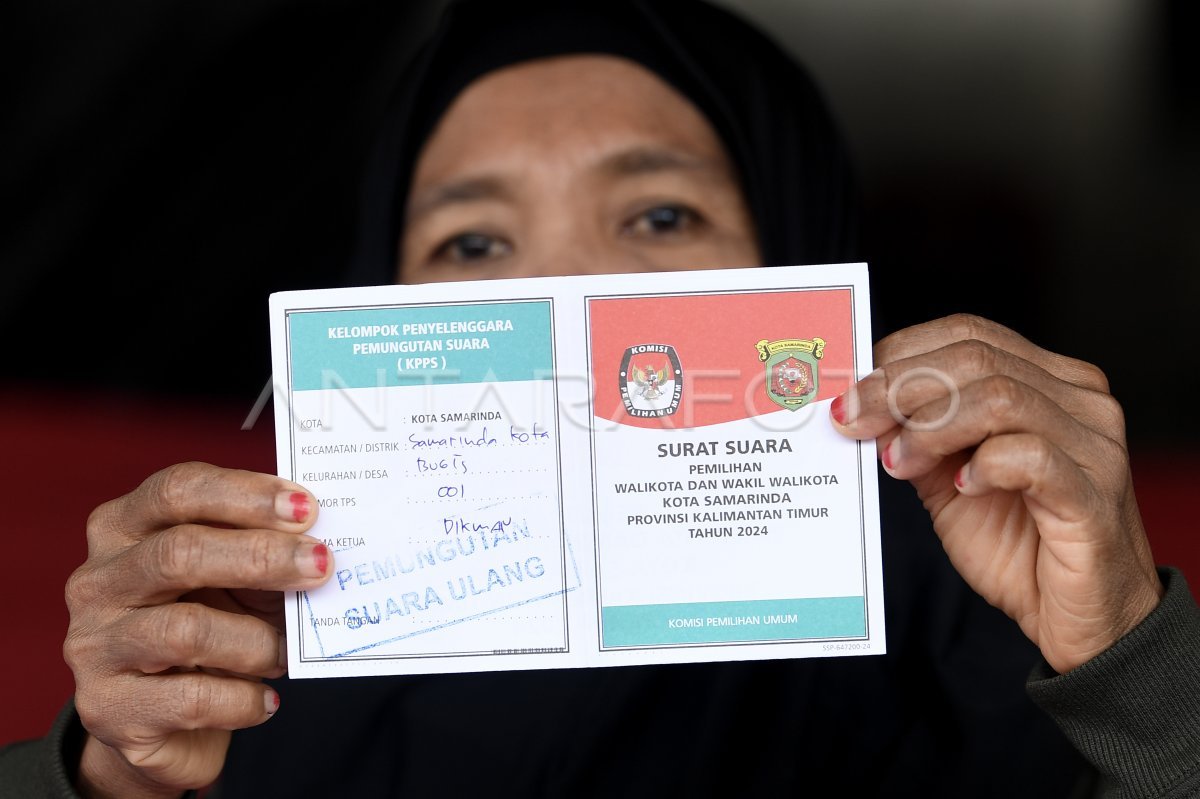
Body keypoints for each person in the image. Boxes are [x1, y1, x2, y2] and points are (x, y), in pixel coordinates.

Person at [4, 1, 1199, 796]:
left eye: (661, 215)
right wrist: (101, 779)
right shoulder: (250, 682)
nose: (567, 292)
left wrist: (1135, 673)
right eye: (474, 244)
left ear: (800, 249)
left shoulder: (1003, 648)